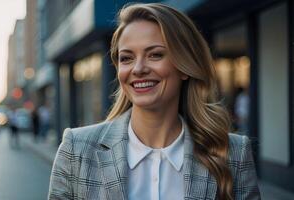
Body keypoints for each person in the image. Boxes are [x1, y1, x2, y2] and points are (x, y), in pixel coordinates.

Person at [48, 3, 260, 200]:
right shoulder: (76, 150)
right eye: (127, 58)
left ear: (184, 66)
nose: (138, 69)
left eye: (155, 55)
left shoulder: (233, 153)